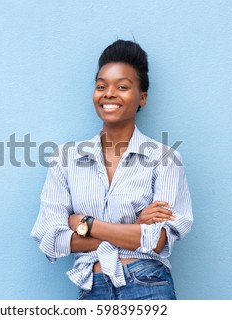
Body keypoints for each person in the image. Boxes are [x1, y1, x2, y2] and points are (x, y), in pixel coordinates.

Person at [31, 39, 193, 300]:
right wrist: (134, 229)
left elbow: (157, 241)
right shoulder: (65, 159)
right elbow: (51, 239)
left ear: (142, 97)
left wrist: (85, 224)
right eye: (101, 86)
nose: (108, 93)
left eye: (122, 87)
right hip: (91, 286)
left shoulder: (165, 159)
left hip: (147, 284)